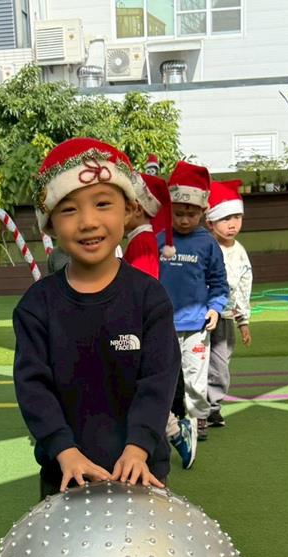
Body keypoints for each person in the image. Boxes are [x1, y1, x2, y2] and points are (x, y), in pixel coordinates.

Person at [12, 137, 181, 497]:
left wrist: (138, 448)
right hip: (66, 475)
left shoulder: (150, 298)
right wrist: (65, 451)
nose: (88, 222)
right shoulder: (36, 307)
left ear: (130, 210)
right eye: (69, 210)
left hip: (141, 471)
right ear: (49, 224)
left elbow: (159, 381)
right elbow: (33, 389)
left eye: (103, 204)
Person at [123, 172, 198, 469]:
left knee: (143, 394)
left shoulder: (141, 243)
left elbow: (140, 292)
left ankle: (177, 433)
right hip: (140, 328)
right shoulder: (139, 240)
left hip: (139, 330)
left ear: (136, 208)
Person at [158, 160, 228, 442]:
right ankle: (167, 420)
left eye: (191, 214)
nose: (185, 220)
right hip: (163, 325)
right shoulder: (159, 239)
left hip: (196, 326)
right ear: (170, 210)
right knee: (163, 375)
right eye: (179, 214)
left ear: (202, 211)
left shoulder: (207, 244)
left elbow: (219, 282)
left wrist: (215, 309)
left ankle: (199, 418)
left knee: (195, 376)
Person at [205, 179, 253, 427]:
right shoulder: (205, 246)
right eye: (225, 218)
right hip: (202, 316)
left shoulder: (240, 252)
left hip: (225, 318)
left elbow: (244, 285)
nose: (232, 224)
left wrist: (243, 320)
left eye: (237, 217)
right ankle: (200, 406)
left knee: (220, 364)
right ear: (210, 222)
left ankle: (212, 406)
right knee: (197, 361)